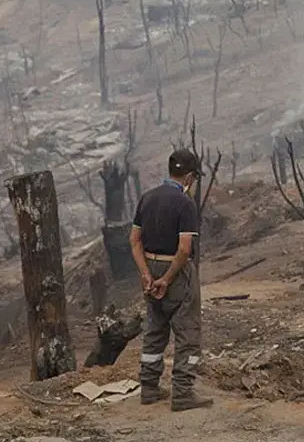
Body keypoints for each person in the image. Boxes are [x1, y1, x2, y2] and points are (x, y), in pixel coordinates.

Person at [129, 149, 213, 412]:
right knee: (188, 331)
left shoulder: (147, 198)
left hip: (149, 265)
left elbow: (134, 241)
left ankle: (149, 389)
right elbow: (185, 248)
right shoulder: (185, 203)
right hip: (175, 271)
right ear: (188, 176)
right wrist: (167, 278)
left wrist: (146, 274)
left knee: (155, 329)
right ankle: (183, 393)